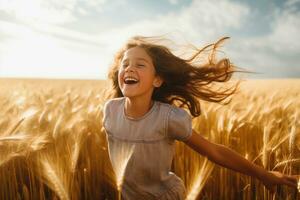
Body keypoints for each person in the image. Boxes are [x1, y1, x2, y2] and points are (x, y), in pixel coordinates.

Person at [101, 35, 299, 199]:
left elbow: (214, 152)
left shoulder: (168, 118)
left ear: (157, 79)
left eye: (140, 64)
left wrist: (262, 174)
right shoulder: (110, 111)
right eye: (124, 64)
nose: (129, 68)